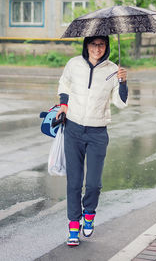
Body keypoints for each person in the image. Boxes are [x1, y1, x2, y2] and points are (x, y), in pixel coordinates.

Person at [56, 35, 128, 246]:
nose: (97, 48)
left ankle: (89, 214)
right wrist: (63, 104)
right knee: (74, 182)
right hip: (73, 128)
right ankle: (73, 225)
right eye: (94, 44)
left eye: (102, 44)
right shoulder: (74, 64)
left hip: (98, 132)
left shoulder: (113, 70)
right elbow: (64, 83)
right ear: (86, 45)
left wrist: (122, 82)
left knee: (94, 184)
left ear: (106, 46)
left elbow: (121, 103)